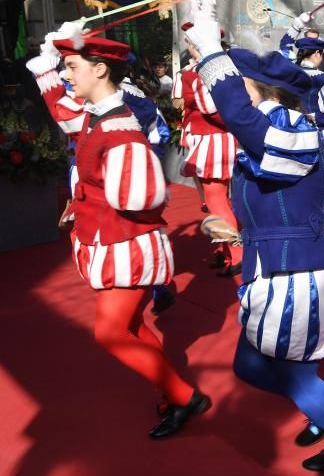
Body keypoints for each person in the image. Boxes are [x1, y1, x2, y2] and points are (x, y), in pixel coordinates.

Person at [185, 0, 324, 471]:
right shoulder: (270, 128)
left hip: (298, 275)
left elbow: (245, 122)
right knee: (261, 367)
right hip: (277, 269)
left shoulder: (291, 126)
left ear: (258, 89)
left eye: (237, 82)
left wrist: (210, 51)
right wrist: (199, 33)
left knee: (280, 372)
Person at [27, 24, 208, 439]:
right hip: (110, 239)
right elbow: (65, 112)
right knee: (131, 326)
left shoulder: (120, 129)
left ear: (101, 71)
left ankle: (185, 397)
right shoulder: (98, 115)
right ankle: (172, 391)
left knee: (110, 332)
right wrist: (46, 70)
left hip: (126, 242)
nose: (68, 75)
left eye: (72, 67)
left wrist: (93, 194)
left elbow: (143, 197)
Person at [174, 22, 242, 277]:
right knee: (214, 202)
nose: (188, 46)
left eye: (191, 42)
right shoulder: (204, 68)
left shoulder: (204, 70)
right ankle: (223, 250)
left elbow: (214, 110)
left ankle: (236, 253)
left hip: (212, 139)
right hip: (208, 138)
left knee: (216, 202)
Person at [293, 35, 324, 220]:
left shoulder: (289, 74)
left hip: (292, 136)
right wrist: (312, 116)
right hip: (318, 137)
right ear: (316, 53)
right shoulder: (323, 78)